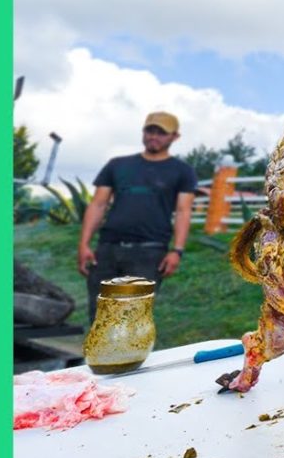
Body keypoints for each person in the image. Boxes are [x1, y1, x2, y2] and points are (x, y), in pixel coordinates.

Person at [77, 111, 198, 323]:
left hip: (149, 253)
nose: (154, 136)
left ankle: (132, 357)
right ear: (143, 132)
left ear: (174, 137)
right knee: (99, 316)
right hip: (107, 250)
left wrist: (177, 251)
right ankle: (98, 357)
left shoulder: (182, 171)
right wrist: (84, 244)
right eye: (150, 130)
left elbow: (183, 211)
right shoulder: (117, 165)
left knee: (132, 319)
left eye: (161, 132)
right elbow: (98, 204)